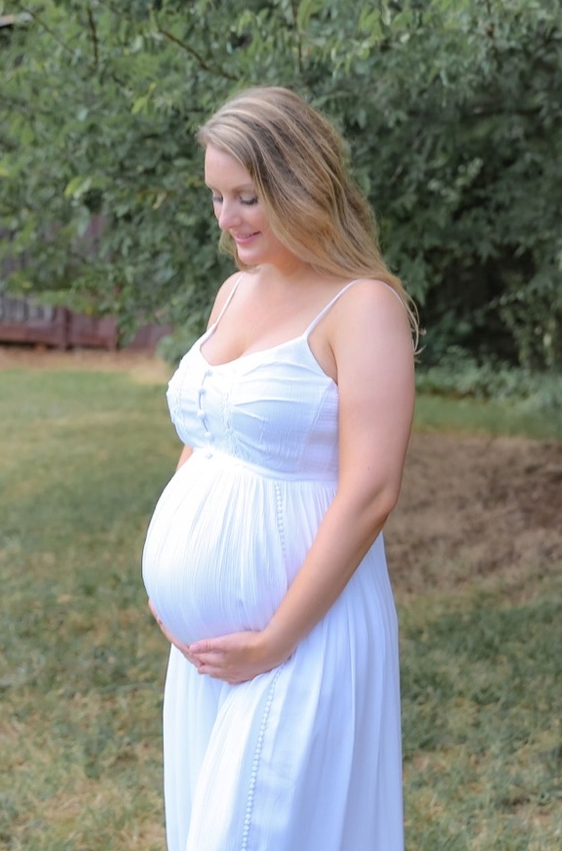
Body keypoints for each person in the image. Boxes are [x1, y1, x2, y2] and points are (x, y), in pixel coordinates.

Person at [142, 85, 416, 851]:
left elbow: (372, 491)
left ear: (301, 183)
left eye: (247, 196)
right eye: (216, 196)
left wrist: (274, 639)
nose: (227, 218)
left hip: (304, 637)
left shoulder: (363, 307)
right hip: (207, 655)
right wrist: (172, 583)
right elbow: (206, 437)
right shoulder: (234, 292)